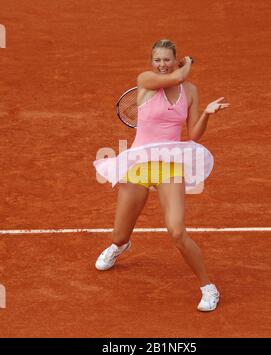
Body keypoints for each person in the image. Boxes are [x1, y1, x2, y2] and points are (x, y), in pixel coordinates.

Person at [93, 39, 230, 311]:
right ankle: (120, 246)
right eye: (157, 60)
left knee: (177, 231)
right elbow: (178, 75)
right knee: (119, 234)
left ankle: (208, 287)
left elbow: (193, 134)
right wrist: (187, 64)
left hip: (169, 164)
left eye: (167, 59)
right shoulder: (145, 80)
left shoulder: (190, 90)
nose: (161, 65)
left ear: (173, 59)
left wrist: (207, 114)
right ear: (151, 62)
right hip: (139, 164)